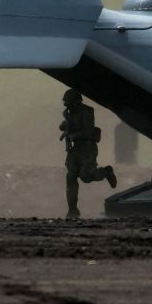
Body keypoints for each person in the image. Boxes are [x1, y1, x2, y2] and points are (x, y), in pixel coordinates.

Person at [60, 88, 116, 219]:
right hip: (76, 149)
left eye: (69, 103)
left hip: (88, 148)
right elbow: (66, 125)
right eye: (66, 104)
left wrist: (73, 135)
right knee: (71, 176)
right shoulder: (69, 112)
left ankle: (106, 172)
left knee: (85, 176)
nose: (67, 106)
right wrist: (65, 127)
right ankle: (73, 210)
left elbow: (89, 131)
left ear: (76, 102)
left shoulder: (87, 112)